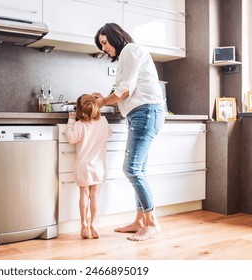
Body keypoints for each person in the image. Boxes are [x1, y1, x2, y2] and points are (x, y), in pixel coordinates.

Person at [92, 23, 166, 241]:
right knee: (138, 169)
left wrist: (104, 101)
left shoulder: (130, 50)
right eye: (101, 45)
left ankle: (151, 223)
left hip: (146, 112)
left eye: (104, 42)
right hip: (142, 113)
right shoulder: (129, 54)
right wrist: (104, 98)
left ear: (115, 36)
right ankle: (139, 221)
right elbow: (125, 88)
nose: (104, 48)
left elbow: (125, 90)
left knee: (132, 169)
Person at [66, 94, 112, 239]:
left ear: (79, 111)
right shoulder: (103, 122)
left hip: (84, 167)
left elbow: (71, 138)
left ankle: (84, 225)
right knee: (95, 196)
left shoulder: (79, 125)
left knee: (84, 195)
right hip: (98, 167)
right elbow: (109, 134)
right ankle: (93, 224)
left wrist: (70, 120)